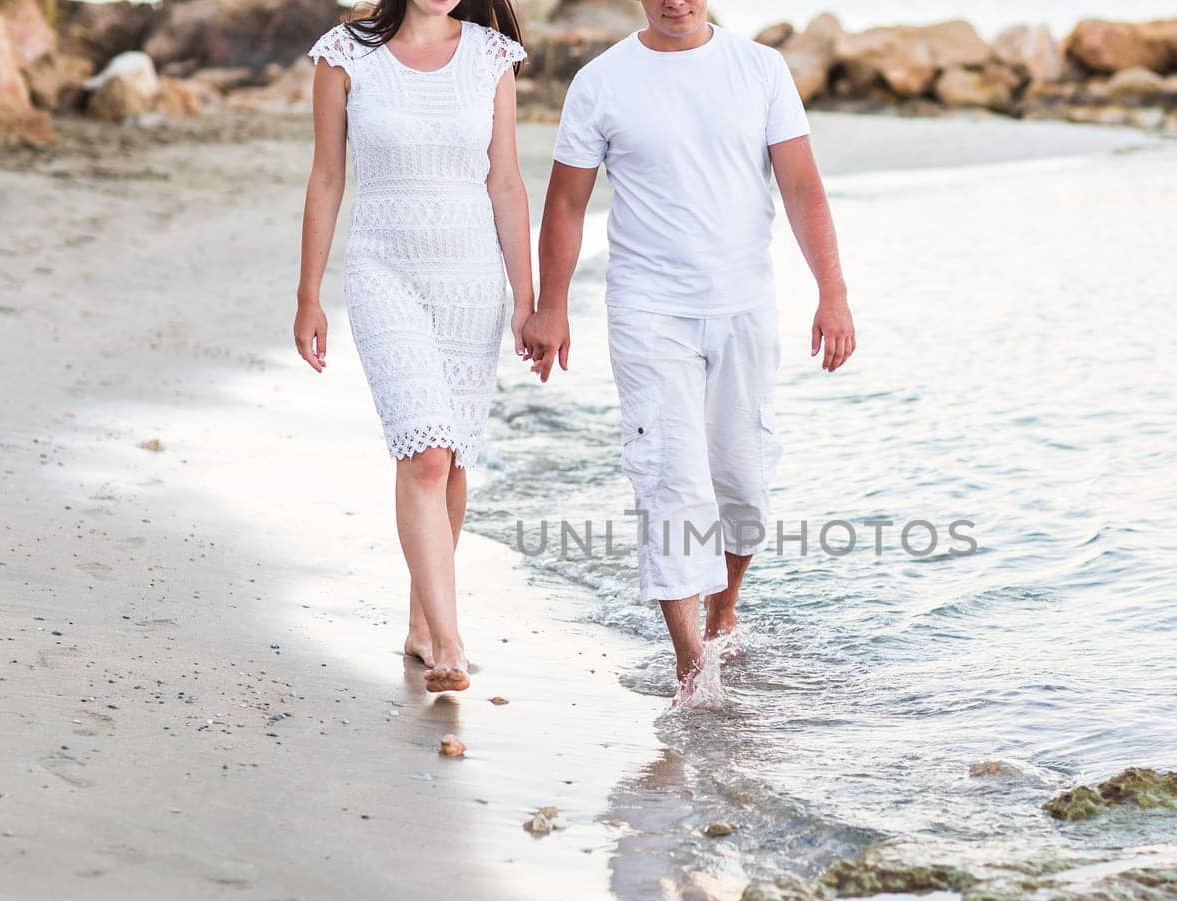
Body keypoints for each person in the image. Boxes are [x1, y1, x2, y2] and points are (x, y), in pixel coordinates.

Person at [524, 0, 856, 699]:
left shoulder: (761, 70)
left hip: (743, 305)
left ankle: (724, 605)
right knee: (673, 481)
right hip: (650, 311)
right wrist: (551, 305)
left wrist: (833, 292)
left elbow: (801, 186)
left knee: (742, 482)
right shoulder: (602, 81)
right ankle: (690, 666)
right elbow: (565, 204)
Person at [293, 0, 532, 693]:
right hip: (383, 271)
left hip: (470, 279)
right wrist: (309, 294)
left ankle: (423, 620)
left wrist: (528, 298)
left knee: (452, 458)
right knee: (425, 452)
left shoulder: (491, 57)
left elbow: (507, 181)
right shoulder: (345, 54)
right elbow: (328, 176)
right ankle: (451, 642)